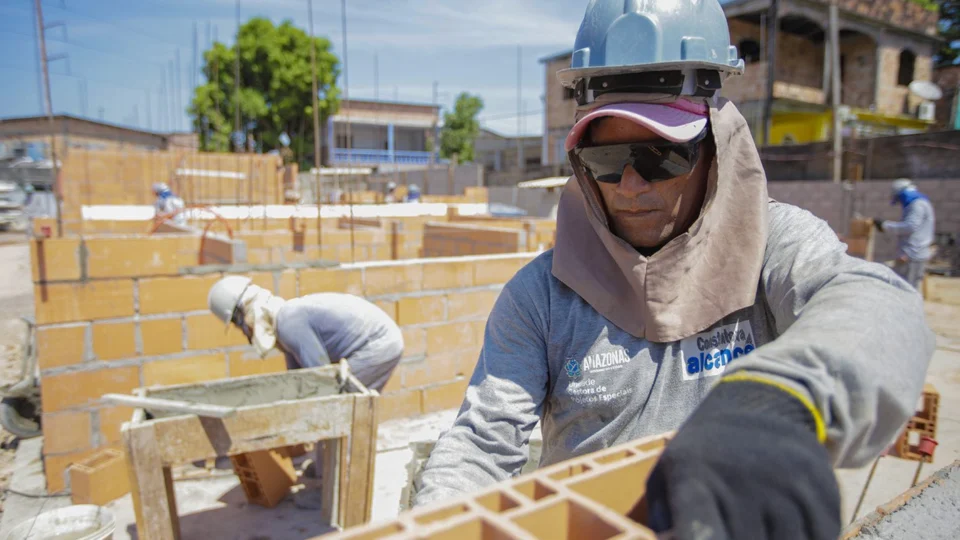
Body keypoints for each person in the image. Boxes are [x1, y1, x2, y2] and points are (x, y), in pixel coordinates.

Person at [414, 2, 934, 539]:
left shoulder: (773, 247)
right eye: (607, 163)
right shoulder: (542, 296)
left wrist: (786, 399)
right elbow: (480, 444)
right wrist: (437, 527)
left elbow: (878, 306)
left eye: (661, 156)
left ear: (716, 149)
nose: (631, 187)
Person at [207, 276, 403, 392]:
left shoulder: (288, 323)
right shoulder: (284, 322)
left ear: (244, 316)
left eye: (238, 326)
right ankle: (333, 460)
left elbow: (320, 377)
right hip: (381, 341)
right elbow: (298, 379)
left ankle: (341, 461)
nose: (245, 333)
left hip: (378, 344)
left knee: (337, 399)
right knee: (337, 401)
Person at [874, 179, 935, 289]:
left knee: (907, 288)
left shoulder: (917, 205)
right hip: (913, 252)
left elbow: (910, 227)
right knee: (908, 287)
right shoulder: (920, 203)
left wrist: (885, 225)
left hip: (912, 253)